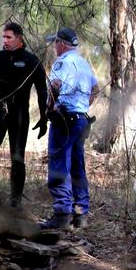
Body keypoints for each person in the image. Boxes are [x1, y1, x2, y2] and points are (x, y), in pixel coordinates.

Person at [0, 22, 48, 210]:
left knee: (17, 158)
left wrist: (44, 118)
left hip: (20, 113)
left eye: (9, 37)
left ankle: (16, 203)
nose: (4, 41)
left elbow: (42, 91)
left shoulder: (32, 61)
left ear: (19, 38)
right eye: (3, 37)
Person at [41, 26, 99, 230]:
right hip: (81, 120)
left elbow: (55, 87)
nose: (54, 47)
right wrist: (83, 106)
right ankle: (81, 212)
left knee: (59, 164)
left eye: (55, 43)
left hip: (64, 120)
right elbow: (95, 88)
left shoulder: (62, 63)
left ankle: (62, 214)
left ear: (62, 44)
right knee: (77, 165)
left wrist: (51, 107)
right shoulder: (83, 64)